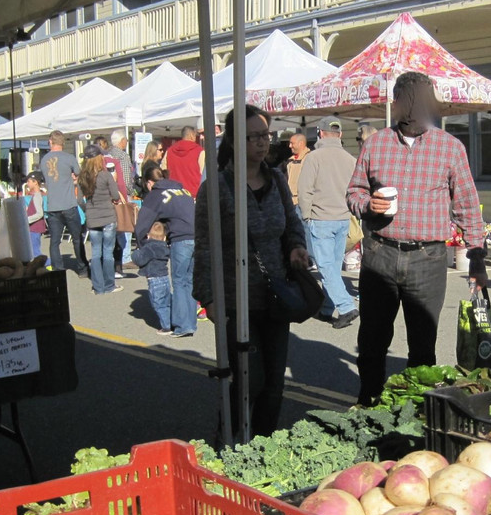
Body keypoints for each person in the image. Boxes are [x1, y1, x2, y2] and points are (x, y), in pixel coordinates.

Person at [347, 71, 487, 407]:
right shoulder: (375, 144)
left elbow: (467, 203)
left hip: (428, 260)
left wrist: (477, 256)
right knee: (372, 340)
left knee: (422, 345)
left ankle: (414, 411)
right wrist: (369, 204)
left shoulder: (450, 147)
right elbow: (354, 191)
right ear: (397, 104)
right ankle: (368, 403)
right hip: (380, 254)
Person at [194, 105, 310, 439]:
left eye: (265, 135)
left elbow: (292, 223)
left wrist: (296, 247)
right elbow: (204, 245)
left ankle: (261, 448)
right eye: (253, 137)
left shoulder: (275, 179)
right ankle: (229, 442)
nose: (262, 143)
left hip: (276, 296)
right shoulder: (216, 187)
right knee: (250, 380)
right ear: (234, 140)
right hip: (235, 298)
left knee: (274, 385)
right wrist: (209, 297)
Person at [299, 117, 359, 329]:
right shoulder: (350, 159)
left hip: (321, 217)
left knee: (326, 267)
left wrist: (306, 216)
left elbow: (304, 190)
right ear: (340, 134)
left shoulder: (314, 157)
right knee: (332, 266)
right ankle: (325, 308)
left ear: (320, 133)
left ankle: (345, 306)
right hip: (343, 218)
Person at [136, 164, 198, 338]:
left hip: (181, 239)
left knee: (178, 282)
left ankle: (181, 326)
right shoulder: (182, 190)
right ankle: (190, 322)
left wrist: (143, 245)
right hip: (198, 236)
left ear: (149, 182)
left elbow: (142, 224)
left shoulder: (156, 194)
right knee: (189, 281)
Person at [40, 130, 87, 277]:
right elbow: (79, 174)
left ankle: (57, 269)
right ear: (63, 143)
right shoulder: (69, 158)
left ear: (50, 142)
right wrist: (72, 178)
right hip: (68, 204)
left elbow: (45, 178)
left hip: (52, 206)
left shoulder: (44, 160)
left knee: (54, 241)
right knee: (77, 238)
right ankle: (82, 268)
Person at [77, 144, 122, 295]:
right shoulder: (105, 175)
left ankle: (98, 287)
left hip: (92, 217)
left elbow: (79, 200)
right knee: (108, 252)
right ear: (99, 158)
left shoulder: (82, 177)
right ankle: (109, 285)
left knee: (95, 253)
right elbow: (115, 195)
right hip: (108, 216)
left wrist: (87, 209)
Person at [131, 184, 174, 336]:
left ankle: (166, 326)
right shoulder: (164, 247)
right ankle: (173, 319)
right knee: (167, 300)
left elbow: (140, 259)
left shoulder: (148, 248)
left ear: (149, 236)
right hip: (164, 277)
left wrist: (136, 252)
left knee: (158, 303)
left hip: (154, 278)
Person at [109, 129, 136, 276]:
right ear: (121, 141)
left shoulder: (107, 154)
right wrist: (130, 192)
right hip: (122, 195)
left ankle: (114, 256)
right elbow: (126, 178)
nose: (127, 142)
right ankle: (125, 257)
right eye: (125, 140)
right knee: (125, 226)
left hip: (110, 196)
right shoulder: (122, 156)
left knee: (114, 227)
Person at [166, 124, 204, 196]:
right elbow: (203, 174)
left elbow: (163, 172)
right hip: (193, 194)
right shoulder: (199, 151)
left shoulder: (169, 151)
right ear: (192, 135)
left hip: (173, 194)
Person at [281, 132, 309, 209]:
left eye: (292, 143)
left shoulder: (310, 159)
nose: (289, 146)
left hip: (303, 202)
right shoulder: (290, 161)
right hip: (291, 201)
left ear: (300, 143)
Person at [23, 172, 47, 258]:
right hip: (33, 229)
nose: (27, 184)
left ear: (35, 182)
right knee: (34, 252)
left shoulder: (37, 196)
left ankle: (50, 263)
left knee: (35, 253)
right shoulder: (36, 196)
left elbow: (39, 213)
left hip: (34, 229)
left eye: (29, 181)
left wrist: (26, 220)